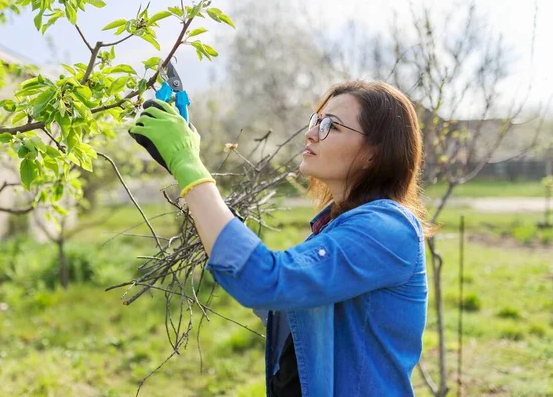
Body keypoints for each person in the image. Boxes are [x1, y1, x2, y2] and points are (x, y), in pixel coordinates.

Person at [129, 80, 435, 397]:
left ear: (374, 154)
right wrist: (186, 168)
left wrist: (188, 164)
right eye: (316, 120)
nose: (312, 132)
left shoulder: (386, 230)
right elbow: (283, 304)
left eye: (332, 126)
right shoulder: (337, 226)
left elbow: (265, 281)